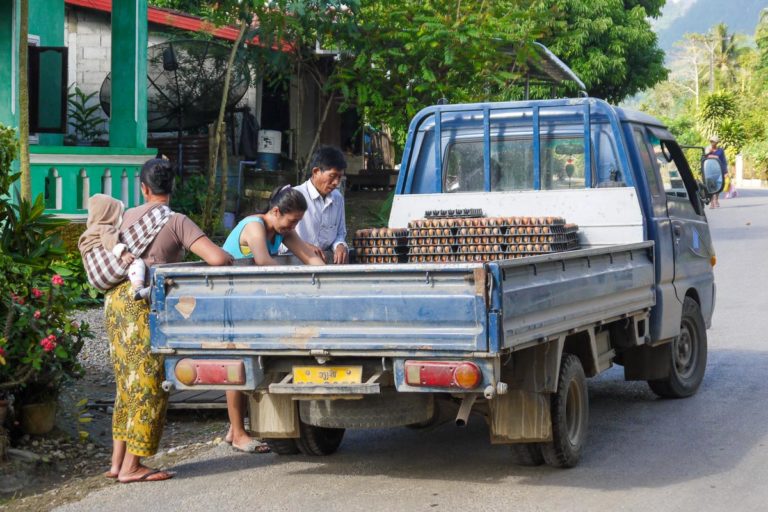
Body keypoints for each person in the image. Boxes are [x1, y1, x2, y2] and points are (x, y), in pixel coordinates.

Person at [103, 159, 233, 483]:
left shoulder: (128, 218)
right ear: (171, 188)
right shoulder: (176, 221)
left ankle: (118, 463)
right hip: (144, 307)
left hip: (115, 304)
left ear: (143, 189)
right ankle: (133, 466)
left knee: (126, 385)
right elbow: (216, 259)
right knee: (151, 384)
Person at [222, 185, 325, 452]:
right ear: (276, 211)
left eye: (299, 221)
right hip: (234, 302)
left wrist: (328, 280)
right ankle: (238, 434)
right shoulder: (254, 226)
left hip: (255, 303)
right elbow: (263, 260)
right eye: (292, 221)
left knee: (253, 363)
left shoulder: (283, 230)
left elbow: (309, 257)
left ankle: (235, 428)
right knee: (238, 365)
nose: (294, 226)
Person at [78, 194, 154, 300]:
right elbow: (109, 240)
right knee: (136, 262)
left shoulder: (87, 233)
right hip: (108, 269)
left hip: (95, 279)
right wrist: (122, 253)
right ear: (108, 214)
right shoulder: (104, 227)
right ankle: (138, 289)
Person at [283, 146, 349, 264]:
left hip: (324, 263)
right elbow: (279, 238)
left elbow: (340, 233)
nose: (336, 183)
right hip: (294, 263)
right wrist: (302, 246)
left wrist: (340, 245)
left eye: (339, 177)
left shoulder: (338, 198)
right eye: (332, 176)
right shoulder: (294, 196)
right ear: (316, 172)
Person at [705, 136, 727, 209]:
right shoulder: (707, 149)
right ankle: (712, 203)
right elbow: (705, 157)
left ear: (717, 142)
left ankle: (716, 199)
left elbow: (723, 161)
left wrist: (725, 171)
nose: (712, 143)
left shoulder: (720, 150)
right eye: (711, 141)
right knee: (710, 186)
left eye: (713, 141)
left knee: (718, 186)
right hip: (709, 170)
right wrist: (711, 153)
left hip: (718, 170)